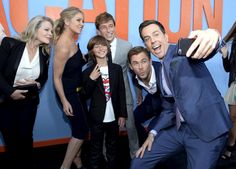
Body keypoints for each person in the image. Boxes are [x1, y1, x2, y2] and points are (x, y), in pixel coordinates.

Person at [130, 20, 232, 169]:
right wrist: (152, 132)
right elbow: (168, 108)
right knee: (138, 163)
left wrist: (213, 36)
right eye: (147, 38)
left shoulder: (181, 50)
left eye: (155, 34)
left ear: (165, 36)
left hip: (207, 130)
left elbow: (206, 46)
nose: (152, 40)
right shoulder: (160, 71)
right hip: (180, 130)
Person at [0, 15, 53, 169]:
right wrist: (11, 92)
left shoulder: (44, 53)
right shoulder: (10, 44)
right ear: (35, 29)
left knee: (25, 138)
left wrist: (36, 84)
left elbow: (43, 78)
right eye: (47, 30)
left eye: (51, 31)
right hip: (5, 100)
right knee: (11, 140)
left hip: (28, 101)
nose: (51, 34)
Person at [95, 12, 139, 158]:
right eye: (104, 27)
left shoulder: (127, 46)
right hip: (103, 97)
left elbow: (134, 72)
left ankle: (135, 154)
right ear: (98, 31)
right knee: (104, 129)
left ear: (114, 26)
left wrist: (138, 92)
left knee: (131, 127)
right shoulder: (95, 47)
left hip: (124, 95)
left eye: (111, 26)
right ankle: (104, 155)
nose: (108, 30)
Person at [82, 35, 127, 169]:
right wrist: (91, 79)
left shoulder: (116, 69)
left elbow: (121, 92)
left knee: (113, 148)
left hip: (113, 116)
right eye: (97, 46)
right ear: (92, 51)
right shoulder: (87, 72)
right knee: (95, 150)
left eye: (103, 45)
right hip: (97, 117)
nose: (101, 48)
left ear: (107, 48)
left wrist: (122, 114)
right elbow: (84, 95)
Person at [53, 7, 88, 169]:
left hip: (78, 91)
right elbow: (57, 78)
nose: (82, 24)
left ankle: (77, 158)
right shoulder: (63, 46)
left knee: (81, 126)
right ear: (67, 22)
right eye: (78, 20)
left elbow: (76, 63)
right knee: (80, 131)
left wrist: (94, 53)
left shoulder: (72, 40)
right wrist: (64, 101)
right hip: (68, 94)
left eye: (83, 20)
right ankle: (65, 166)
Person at [221, 33, 236, 160]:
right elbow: (228, 69)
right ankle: (231, 146)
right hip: (235, 85)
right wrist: (225, 55)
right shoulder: (235, 42)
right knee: (233, 118)